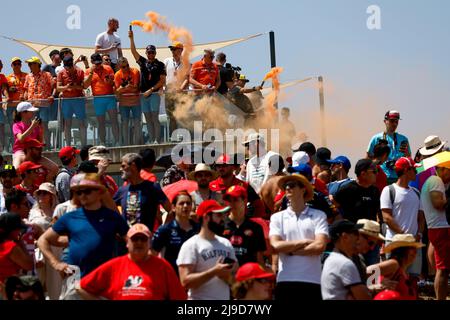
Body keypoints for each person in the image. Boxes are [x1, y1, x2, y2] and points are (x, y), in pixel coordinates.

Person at [37, 173, 129, 278]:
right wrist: (56, 264)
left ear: (99, 192)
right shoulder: (70, 217)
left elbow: (131, 240)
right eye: (79, 192)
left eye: (87, 191)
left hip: (105, 280)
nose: (82, 195)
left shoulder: (112, 217)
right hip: (76, 281)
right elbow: (42, 240)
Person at [76, 223, 186, 300]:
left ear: (149, 243)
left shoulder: (163, 266)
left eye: (143, 239)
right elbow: (80, 287)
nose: (139, 242)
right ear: (127, 243)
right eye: (135, 239)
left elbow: (179, 297)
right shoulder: (114, 265)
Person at [269, 173, 329, 300]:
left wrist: (291, 251)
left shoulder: (319, 215)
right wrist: (306, 242)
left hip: (312, 281)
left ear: (303, 189)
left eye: (291, 185)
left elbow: (320, 246)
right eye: (285, 186)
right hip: (285, 279)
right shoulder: (277, 217)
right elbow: (275, 245)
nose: (287, 188)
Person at [177, 200, 237, 300]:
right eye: (218, 215)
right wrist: (214, 271)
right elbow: (185, 282)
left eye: (222, 215)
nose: (222, 219)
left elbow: (237, 278)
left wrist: (226, 277)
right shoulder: (191, 245)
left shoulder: (226, 243)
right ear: (206, 217)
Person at [380, 157, 425, 278]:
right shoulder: (388, 190)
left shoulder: (416, 192)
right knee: (393, 279)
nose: (416, 172)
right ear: (406, 170)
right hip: (394, 243)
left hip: (414, 245)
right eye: (414, 170)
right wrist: (405, 236)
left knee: (412, 280)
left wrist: (419, 235)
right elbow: (386, 217)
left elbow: (421, 218)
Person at [114, 153, 171, 231]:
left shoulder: (153, 188)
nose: (120, 169)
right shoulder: (121, 191)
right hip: (127, 241)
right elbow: (108, 209)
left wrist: (163, 230)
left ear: (133, 166)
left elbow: (171, 210)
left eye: (123, 166)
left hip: (147, 240)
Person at [129, 28, 166, 144]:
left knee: (155, 118)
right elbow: (133, 52)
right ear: (146, 53)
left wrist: (151, 90)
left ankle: (157, 140)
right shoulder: (143, 62)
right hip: (143, 95)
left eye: (152, 52)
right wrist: (131, 38)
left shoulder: (160, 64)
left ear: (155, 53)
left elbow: (162, 81)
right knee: (148, 119)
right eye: (149, 52)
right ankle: (151, 139)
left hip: (153, 94)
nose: (150, 54)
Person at [321, 219, 371, 300]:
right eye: (355, 233)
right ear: (345, 237)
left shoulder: (331, 259)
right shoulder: (344, 263)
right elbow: (364, 298)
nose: (358, 237)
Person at [420, 164, 450, 300]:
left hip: (436, 227)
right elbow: (438, 204)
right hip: (440, 228)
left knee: (442, 269)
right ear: (444, 169)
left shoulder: (432, 181)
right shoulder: (435, 181)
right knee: (443, 270)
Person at [152, 191, 199, 274]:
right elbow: (152, 255)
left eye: (188, 203)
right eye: (181, 203)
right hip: (172, 278)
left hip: (194, 279)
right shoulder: (165, 230)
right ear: (173, 207)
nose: (185, 206)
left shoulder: (198, 229)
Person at [367, 234, 425, 300]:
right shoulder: (394, 264)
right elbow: (367, 271)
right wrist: (378, 282)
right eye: (412, 248)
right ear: (402, 250)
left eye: (415, 248)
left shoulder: (405, 272)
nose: (416, 252)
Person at [209, 154, 266, 218]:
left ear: (233, 167)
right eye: (218, 166)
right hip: (218, 224)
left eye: (224, 165)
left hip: (239, 224)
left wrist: (255, 221)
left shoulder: (244, 186)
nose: (221, 168)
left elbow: (258, 205)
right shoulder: (211, 186)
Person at [222, 185, 266, 266]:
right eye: (229, 200)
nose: (231, 203)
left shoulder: (256, 227)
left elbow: (259, 258)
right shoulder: (220, 225)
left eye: (235, 200)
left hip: (249, 276)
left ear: (245, 201)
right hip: (226, 275)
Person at [84, 53, 120, 146]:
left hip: (109, 97)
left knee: (114, 120)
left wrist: (110, 81)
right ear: (92, 62)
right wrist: (91, 73)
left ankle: (117, 142)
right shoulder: (88, 71)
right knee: (101, 122)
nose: (98, 65)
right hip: (98, 99)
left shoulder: (108, 68)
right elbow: (85, 85)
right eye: (96, 63)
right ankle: (102, 142)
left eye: (99, 63)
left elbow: (114, 83)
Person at [367, 110, 411, 184]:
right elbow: (368, 159)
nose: (394, 124)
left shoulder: (404, 139)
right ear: (385, 121)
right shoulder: (376, 138)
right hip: (380, 176)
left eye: (396, 121)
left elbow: (408, 158)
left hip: (399, 178)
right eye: (392, 121)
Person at [22, 57, 54, 148]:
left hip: (44, 104)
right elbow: (25, 89)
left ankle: (47, 145)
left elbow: (54, 86)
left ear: (37, 64)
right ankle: (35, 145)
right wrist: (24, 97)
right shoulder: (28, 76)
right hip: (31, 106)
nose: (29, 66)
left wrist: (52, 95)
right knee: (33, 126)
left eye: (31, 64)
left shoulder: (46, 74)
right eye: (29, 64)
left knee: (44, 125)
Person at [57, 56, 88, 146]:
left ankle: (84, 145)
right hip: (66, 101)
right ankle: (68, 145)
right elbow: (58, 88)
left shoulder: (80, 71)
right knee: (67, 123)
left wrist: (75, 86)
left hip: (78, 99)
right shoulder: (61, 73)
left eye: (70, 66)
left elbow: (84, 86)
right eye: (67, 66)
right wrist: (67, 87)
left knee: (82, 122)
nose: (69, 68)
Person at [2, 57, 28, 152]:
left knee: (25, 127)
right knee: (15, 129)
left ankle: (25, 147)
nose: (17, 65)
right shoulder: (7, 78)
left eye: (18, 63)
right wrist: (9, 90)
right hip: (12, 107)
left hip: (23, 106)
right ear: (11, 66)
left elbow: (29, 88)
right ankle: (16, 148)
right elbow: (3, 91)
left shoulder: (27, 75)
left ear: (21, 65)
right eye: (15, 64)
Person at [114, 57, 142, 145]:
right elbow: (117, 91)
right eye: (123, 67)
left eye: (127, 65)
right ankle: (126, 144)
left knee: (137, 123)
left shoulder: (135, 71)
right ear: (119, 66)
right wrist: (127, 88)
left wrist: (124, 89)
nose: (126, 68)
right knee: (124, 123)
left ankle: (136, 144)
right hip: (123, 103)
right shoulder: (117, 75)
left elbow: (136, 88)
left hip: (136, 102)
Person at [0, 212, 33, 284]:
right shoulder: (10, 247)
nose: (20, 232)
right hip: (7, 288)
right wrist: (21, 243)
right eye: (18, 229)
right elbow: (29, 265)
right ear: (11, 230)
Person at [164, 42, 189, 136]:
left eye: (174, 49)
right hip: (169, 92)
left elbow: (187, 78)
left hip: (181, 93)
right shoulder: (166, 61)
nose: (172, 51)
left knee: (182, 115)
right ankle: (172, 137)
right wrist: (164, 87)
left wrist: (181, 89)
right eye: (171, 49)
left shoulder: (186, 63)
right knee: (171, 116)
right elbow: (162, 77)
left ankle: (184, 136)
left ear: (181, 50)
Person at [11, 102, 42, 169]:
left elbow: (40, 142)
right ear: (23, 113)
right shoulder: (16, 125)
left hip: (33, 152)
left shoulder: (35, 125)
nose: (33, 113)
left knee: (54, 168)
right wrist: (32, 126)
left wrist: (41, 130)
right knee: (15, 169)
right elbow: (21, 139)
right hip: (20, 151)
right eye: (30, 111)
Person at [42, 50, 61, 125]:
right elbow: (41, 78)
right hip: (52, 99)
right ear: (53, 57)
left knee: (62, 120)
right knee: (52, 120)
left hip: (62, 97)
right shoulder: (48, 67)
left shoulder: (63, 67)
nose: (61, 56)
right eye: (59, 55)